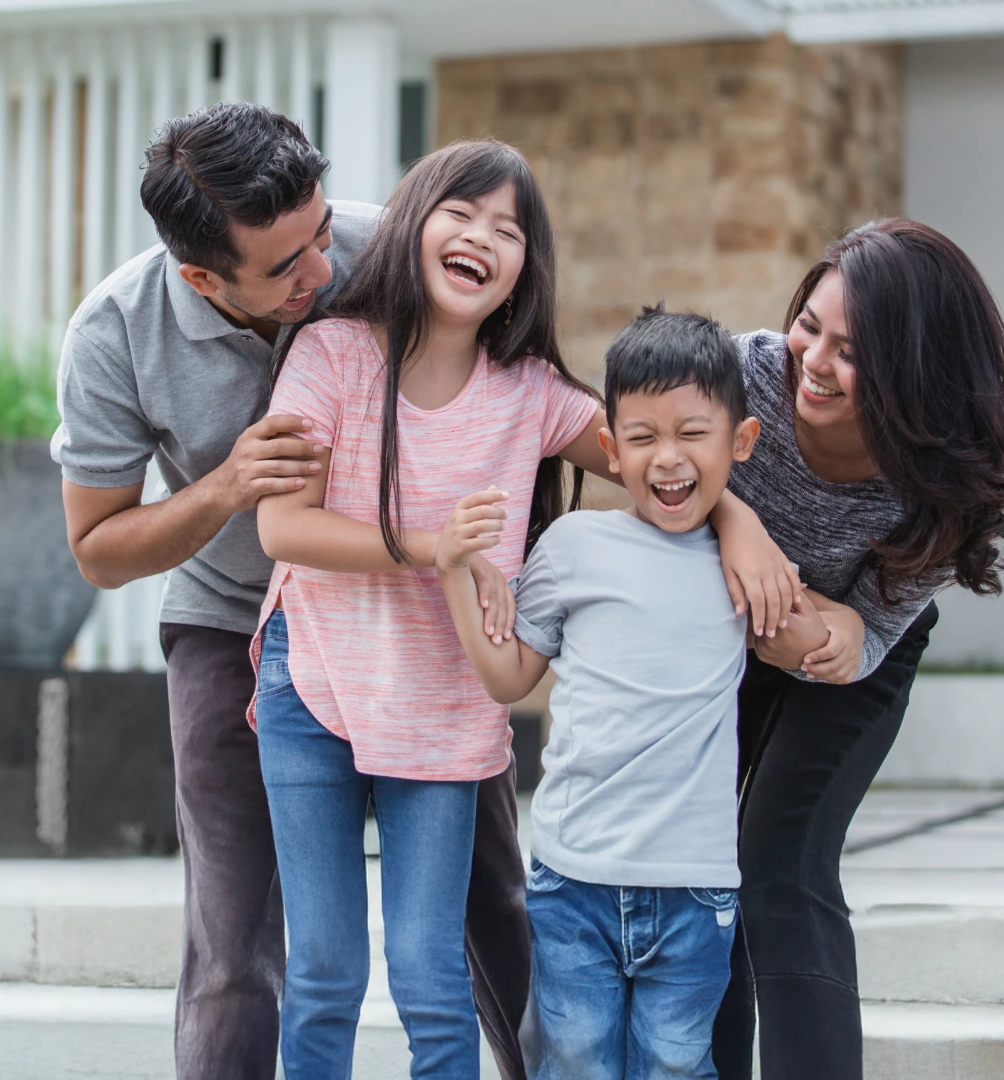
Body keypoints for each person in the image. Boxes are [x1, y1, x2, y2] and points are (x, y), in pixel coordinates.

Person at [249, 138, 623, 1078]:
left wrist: (735, 518)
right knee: (326, 969)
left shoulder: (531, 393)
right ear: (413, 224)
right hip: (317, 682)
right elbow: (283, 528)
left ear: (521, 274)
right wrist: (429, 547)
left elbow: (657, 457)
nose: (482, 238)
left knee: (430, 977)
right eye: (460, 214)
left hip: (445, 705)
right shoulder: (333, 355)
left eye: (509, 230)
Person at [51, 102, 383, 1080]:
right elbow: (99, 549)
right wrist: (228, 486)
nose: (321, 272)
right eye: (285, 267)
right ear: (201, 275)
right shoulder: (116, 333)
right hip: (227, 614)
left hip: (394, 607)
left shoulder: (380, 254)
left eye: (319, 234)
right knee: (234, 936)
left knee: (490, 896)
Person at [709, 218, 1004, 1080]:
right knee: (703, 861)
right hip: (722, 633)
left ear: (915, 372)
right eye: (809, 325)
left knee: (779, 860)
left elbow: (851, 641)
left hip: (857, 657)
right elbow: (645, 460)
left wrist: (808, 616)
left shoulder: (944, 479)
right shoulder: (738, 375)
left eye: (851, 350)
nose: (813, 360)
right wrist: (732, 516)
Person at [437, 307, 762, 1080]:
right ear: (610, 450)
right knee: (575, 1061)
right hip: (572, 878)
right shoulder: (574, 546)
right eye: (643, 438)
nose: (669, 458)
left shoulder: (744, 563)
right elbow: (508, 675)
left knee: (678, 1063)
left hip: (694, 886)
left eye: (694, 432)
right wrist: (451, 568)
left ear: (740, 442)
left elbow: (813, 640)